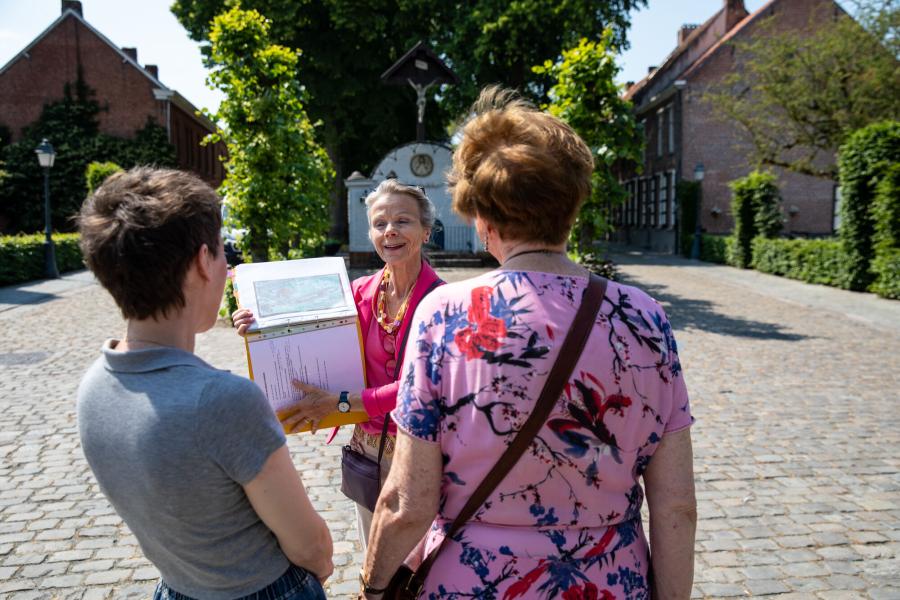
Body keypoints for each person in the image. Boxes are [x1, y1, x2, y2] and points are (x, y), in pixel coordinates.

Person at [360, 87, 697, 599]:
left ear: (482, 217)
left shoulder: (445, 316)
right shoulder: (644, 316)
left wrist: (371, 588)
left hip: (475, 580)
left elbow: (407, 503)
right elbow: (675, 508)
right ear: (572, 206)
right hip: (607, 579)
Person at [76, 167, 333, 600]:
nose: (227, 266)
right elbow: (311, 547)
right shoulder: (221, 400)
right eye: (222, 252)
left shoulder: (94, 387)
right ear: (201, 262)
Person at [232, 178, 443, 549]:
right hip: (366, 448)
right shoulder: (359, 292)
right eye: (380, 224)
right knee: (374, 553)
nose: (390, 231)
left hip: (421, 452)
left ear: (426, 231)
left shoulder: (442, 301)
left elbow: (421, 387)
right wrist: (259, 326)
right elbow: (305, 330)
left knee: (420, 563)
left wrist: (342, 403)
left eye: (403, 221)